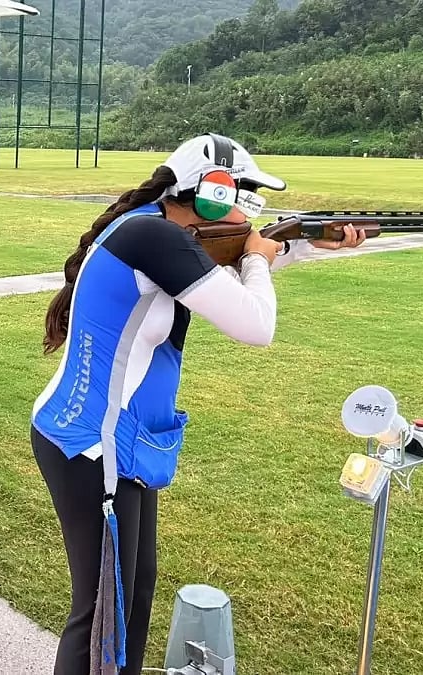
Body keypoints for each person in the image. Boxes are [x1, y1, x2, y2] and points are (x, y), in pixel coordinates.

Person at [29, 133, 366, 673]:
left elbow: (224, 273)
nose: (245, 214)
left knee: (133, 600)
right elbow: (256, 324)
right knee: (100, 612)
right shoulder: (153, 239)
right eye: (240, 198)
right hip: (92, 445)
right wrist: (258, 255)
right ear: (208, 194)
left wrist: (301, 245)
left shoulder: (152, 226)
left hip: (125, 441)